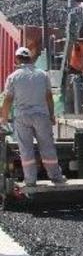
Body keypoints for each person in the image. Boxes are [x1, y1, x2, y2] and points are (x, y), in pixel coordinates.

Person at [0, 47, 66, 186]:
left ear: (17, 59)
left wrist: (4, 117)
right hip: (41, 116)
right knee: (47, 147)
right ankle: (55, 177)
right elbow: (49, 97)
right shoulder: (42, 75)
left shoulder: (13, 77)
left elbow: (8, 99)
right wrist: (52, 115)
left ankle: (30, 180)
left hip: (22, 117)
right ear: (30, 58)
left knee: (26, 149)